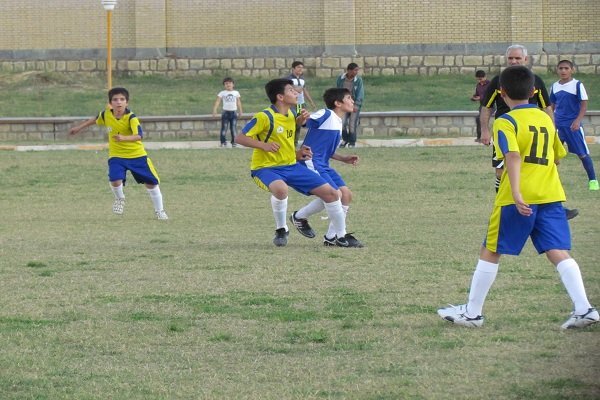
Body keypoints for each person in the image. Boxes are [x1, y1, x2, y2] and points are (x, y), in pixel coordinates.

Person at [437, 66, 598, 330]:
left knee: (490, 249)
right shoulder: (547, 119)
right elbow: (558, 156)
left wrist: (516, 191)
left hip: (518, 198)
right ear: (535, 92)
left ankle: (473, 313)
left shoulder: (506, 121)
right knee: (557, 250)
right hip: (550, 194)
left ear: (501, 93)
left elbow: (511, 155)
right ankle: (584, 308)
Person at [234, 78, 360, 247]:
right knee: (281, 189)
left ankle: (339, 236)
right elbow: (240, 137)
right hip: (265, 168)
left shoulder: (293, 116)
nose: (297, 93)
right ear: (280, 96)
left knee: (332, 193)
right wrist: (263, 145)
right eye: (292, 91)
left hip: (291, 165)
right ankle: (281, 229)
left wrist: (298, 152)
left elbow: (287, 144)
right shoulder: (265, 116)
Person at [480, 44, 578, 220]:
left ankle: (555, 207)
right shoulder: (498, 81)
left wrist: (552, 131)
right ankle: (503, 205)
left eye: (518, 58)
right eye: (511, 58)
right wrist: (485, 131)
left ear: (526, 59)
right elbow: (486, 107)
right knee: (502, 171)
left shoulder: (535, 81)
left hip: (533, 133)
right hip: (506, 130)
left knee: (545, 167)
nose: (514, 61)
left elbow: (547, 107)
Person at [68, 87, 168, 220]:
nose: (118, 102)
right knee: (114, 179)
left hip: (137, 156)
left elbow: (139, 136)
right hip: (117, 156)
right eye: (115, 100)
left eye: (122, 99)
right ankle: (120, 198)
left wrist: (124, 138)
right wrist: (78, 128)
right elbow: (95, 119)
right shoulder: (106, 114)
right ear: (110, 103)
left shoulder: (131, 117)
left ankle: (160, 211)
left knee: (151, 183)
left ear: (127, 102)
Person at [289, 88, 363, 247]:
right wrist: (301, 118)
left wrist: (343, 158)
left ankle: (331, 237)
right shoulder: (326, 114)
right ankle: (300, 217)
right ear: (338, 103)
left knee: (346, 195)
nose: (352, 101)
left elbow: (326, 150)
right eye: (349, 98)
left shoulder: (338, 122)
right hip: (310, 161)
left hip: (323, 164)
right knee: (334, 193)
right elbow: (303, 122)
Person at [550, 60, 598, 191]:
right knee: (551, 154)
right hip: (558, 126)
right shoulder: (554, 86)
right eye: (560, 68)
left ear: (572, 70)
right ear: (557, 70)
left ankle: (593, 180)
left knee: (582, 154)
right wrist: (551, 122)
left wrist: (577, 121)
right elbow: (551, 105)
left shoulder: (577, 85)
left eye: (566, 68)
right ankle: (550, 182)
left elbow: (583, 104)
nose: (563, 71)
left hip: (572, 126)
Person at [287, 61, 317, 146]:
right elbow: (289, 88)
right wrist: (296, 88)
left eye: (302, 67)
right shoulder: (289, 79)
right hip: (292, 104)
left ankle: (295, 143)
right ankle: (290, 142)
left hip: (300, 104)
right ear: (293, 69)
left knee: (299, 123)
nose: (300, 69)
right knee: (292, 122)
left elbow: (304, 90)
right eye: (298, 67)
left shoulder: (302, 79)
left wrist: (311, 102)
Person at [336, 63, 364, 148]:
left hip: (353, 105)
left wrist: (356, 105)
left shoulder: (358, 80)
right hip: (344, 105)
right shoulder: (341, 79)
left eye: (357, 70)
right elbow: (338, 91)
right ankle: (345, 139)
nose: (356, 72)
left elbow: (360, 93)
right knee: (342, 123)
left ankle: (352, 142)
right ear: (349, 70)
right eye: (355, 70)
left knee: (352, 123)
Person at [212, 77, 243, 147]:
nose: (228, 85)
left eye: (230, 83)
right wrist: (215, 110)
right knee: (224, 128)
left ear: (233, 84)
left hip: (233, 113)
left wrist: (240, 111)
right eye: (226, 83)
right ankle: (223, 142)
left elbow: (238, 102)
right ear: (224, 85)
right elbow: (217, 101)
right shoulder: (222, 93)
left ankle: (234, 142)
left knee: (233, 128)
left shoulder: (236, 93)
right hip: (225, 113)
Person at [471, 70, 491, 142]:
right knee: (478, 119)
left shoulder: (490, 84)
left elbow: (490, 95)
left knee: (483, 120)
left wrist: (480, 97)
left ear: (485, 77)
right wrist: (474, 97)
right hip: (482, 105)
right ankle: (479, 137)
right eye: (478, 79)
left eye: (481, 79)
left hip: (490, 105)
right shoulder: (478, 85)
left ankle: (486, 137)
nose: (480, 81)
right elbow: (477, 94)